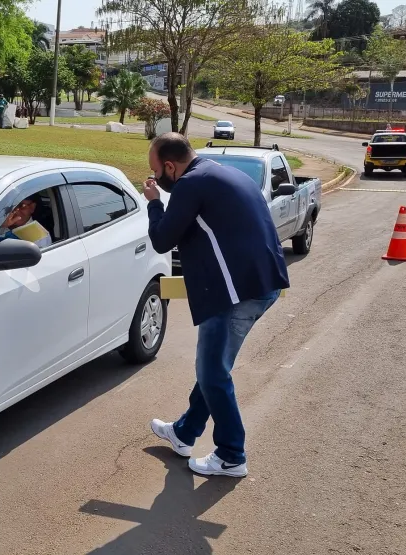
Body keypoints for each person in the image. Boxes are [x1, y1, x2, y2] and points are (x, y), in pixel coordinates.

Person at [143, 132, 290, 478]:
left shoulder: (190, 184)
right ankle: (184, 432)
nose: (155, 178)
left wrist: (153, 202)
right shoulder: (222, 172)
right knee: (214, 369)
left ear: (169, 166)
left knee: (212, 372)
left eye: (155, 171)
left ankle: (231, 454)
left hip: (233, 292)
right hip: (260, 283)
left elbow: (163, 239)